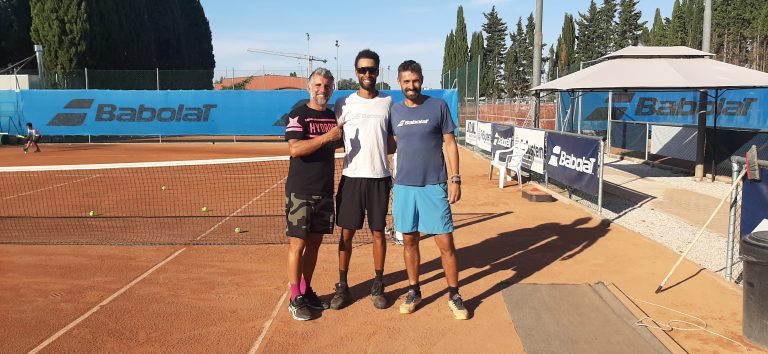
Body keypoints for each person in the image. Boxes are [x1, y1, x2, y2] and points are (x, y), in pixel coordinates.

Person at [390, 60, 468, 320]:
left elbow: (450, 143)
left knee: (445, 243)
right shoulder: (395, 112)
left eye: (415, 81)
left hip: (434, 185)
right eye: (406, 82)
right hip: (403, 187)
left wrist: (455, 178)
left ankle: (454, 294)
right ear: (399, 83)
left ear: (421, 80)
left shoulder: (439, 106)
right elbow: (391, 145)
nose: (411, 86)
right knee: (409, 241)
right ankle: (414, 290)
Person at [330, 49, 395, 310]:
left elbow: (391, 143)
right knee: (346, 235)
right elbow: (333, 138)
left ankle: (378, 285)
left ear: (378, 71)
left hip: (379, 178)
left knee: (378, 233)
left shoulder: (388, 103)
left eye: (372, 69)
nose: (368, 74)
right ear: (356, 73)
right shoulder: (343, 104)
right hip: (351, 179)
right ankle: (343, 287)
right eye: (363, 70)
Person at [284, 67, 344, 321]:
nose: (323, 90)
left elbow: (341, 141)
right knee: (298, 245)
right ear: (310, 88)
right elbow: (296, 149)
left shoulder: (333, 116)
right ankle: (294, 296)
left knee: (315, 245)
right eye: (318, 85)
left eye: (327, 86)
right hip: (300, 192)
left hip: (324, 191)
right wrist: (326, 136)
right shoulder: (298, 115)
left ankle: (306, 290)